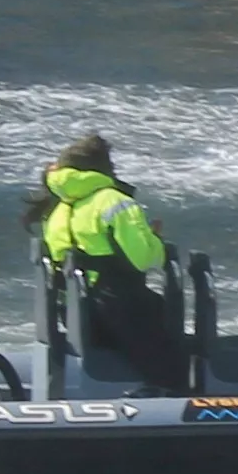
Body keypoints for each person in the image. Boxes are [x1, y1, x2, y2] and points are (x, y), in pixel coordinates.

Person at [41, 132, 190, 393]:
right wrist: (155, 242)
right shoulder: (114, 202)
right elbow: (143, 258)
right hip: (117, 307)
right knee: (170, 358)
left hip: (74, 310)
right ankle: (171, 399)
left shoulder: (59, 209)